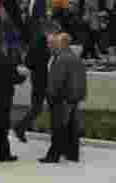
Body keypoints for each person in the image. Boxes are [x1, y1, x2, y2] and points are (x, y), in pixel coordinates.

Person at [41, 33, 87, 163]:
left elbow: (57, 81)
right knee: (71, 127)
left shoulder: (62, 58)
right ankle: (72, 154)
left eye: (58, 42)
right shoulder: (75, 57)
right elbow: (82, 80)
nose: (56, 44)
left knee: (58, 127)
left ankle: (53, 155)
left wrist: (51, 94)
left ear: (63, 43)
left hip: (62, 99)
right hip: (73, 98)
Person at [14, 28, 51, 143]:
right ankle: (20, 127)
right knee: (40, 108)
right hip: (44, 80)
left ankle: (21, 127)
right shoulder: (45, 49)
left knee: (37, 107)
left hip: (37, 79)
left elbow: (28, 63)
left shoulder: (33, 48)